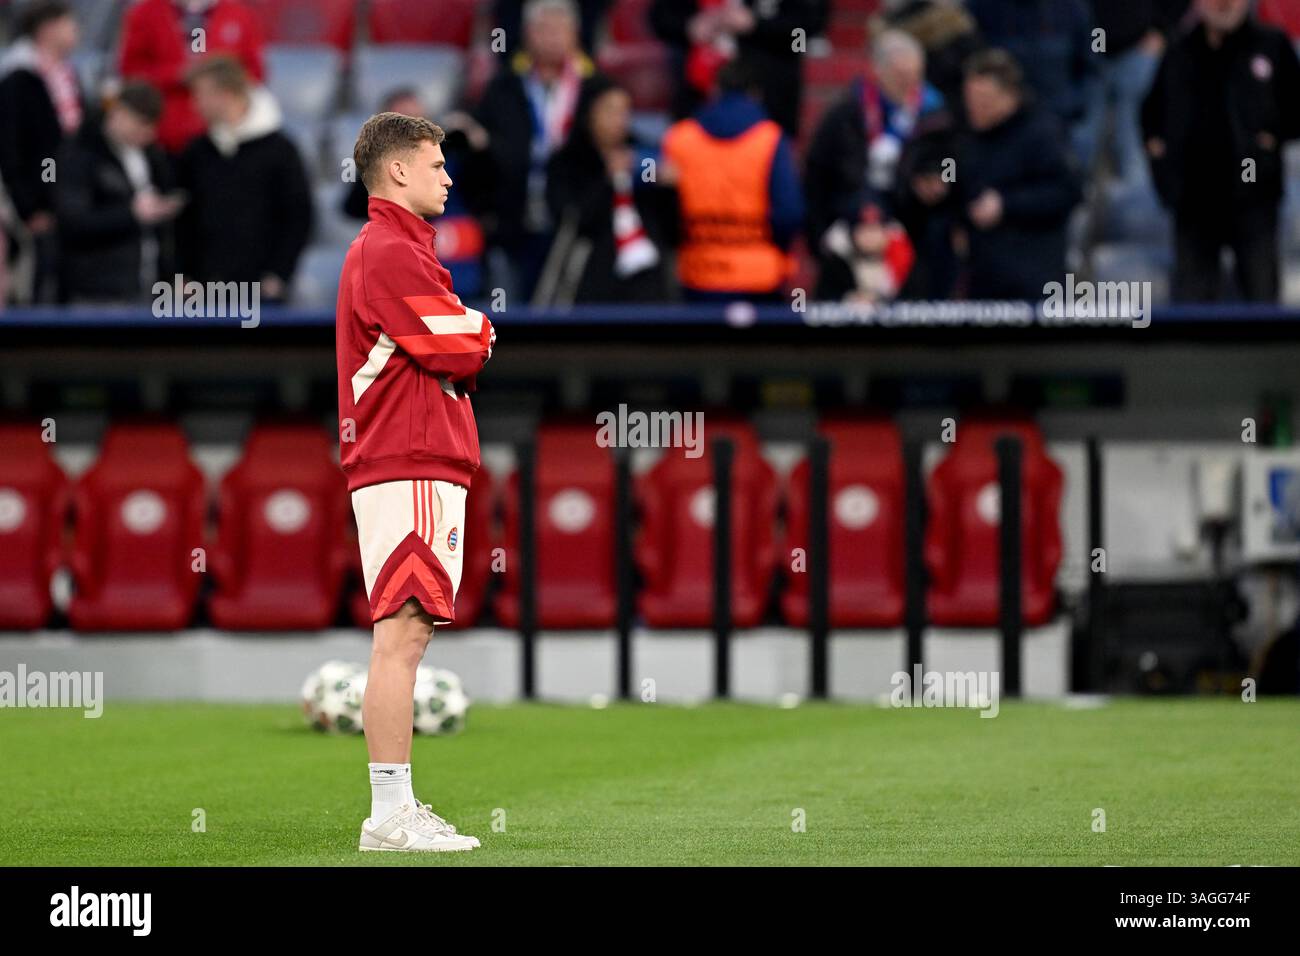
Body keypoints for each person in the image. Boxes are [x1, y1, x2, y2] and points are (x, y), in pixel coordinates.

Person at [338, 111, 496, 853]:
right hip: (407, 458)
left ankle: (395, 809)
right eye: (437, 165)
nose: (448, 177)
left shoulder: (399, 248)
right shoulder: (388, 250)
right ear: (398, 170)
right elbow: (457, 345)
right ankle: (389, 815)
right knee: (402, 632)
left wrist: (466, 326)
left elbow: (450, 336)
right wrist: (480, 328)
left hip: (414, 459)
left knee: (407, 631)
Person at [1142, 0, 1300, 302]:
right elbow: (1151, 117)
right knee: (1191, 305)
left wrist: (1269, 139)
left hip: (1255, 198)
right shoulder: (1179, 50)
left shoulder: (1272, 44)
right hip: (1194, 201)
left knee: (1261, 297)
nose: (1224, 4)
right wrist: (1164, 169)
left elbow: (1295, 109)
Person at [470, 0, 607, 304]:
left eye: (560, 29)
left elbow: (619, 140)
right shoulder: (503, 88)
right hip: (512, 225)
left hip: (575, 229)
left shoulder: (596, 88)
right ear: (527, 34)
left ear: (575, 34)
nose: (552, 37)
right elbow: (478, 141)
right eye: (543, 29)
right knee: (505, 316)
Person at [804, 29, 941, 300]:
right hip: (848, 241)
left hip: (914, 243)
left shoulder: (934, 117)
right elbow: (816, 177)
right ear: (877, 72)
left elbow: (951, 168)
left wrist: (939, 183)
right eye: (900, 75)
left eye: (915, 75)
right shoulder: (844, 115)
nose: (909, 83)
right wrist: (824, 235)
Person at [660, 56, 804, 302]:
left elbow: (663, 204)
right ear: (756, 94)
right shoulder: (771, 139)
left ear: (715, 90)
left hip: (698, 273)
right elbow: (789, 212)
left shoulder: (679, 138)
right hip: (759, 276)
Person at [173, 56, 311, 301]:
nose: (195, 105)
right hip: (203, 290)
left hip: (263, 291)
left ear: (225, 95)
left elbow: (298, 215)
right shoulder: (196, 151)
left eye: (200, 95)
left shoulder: (280, 150)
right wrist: (182, 273)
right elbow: (183, 218)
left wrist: (279, 274)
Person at [952, 49, 1081, 299]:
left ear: (1010, 96)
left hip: (1033, 277)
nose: (975, 108)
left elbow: (1068, 190)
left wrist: (1006, 205)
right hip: (982, 279)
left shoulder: (1042, 133)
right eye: (970, 99)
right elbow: (956, 179)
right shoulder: (964, 135)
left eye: (985, 101)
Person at [541, 76, 673, 303]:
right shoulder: (566, 161)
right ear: (588, 113)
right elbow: (570, 221)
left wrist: (669, 187)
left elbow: (669, 227)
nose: (619, 120)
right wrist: (607, 180)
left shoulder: (643, 156)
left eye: (625, 112)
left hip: (645, 284)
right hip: (588, 280)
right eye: (610, 111)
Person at [55, 82, 182, 303]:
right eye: (140, 125)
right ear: (119, 113)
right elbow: (72, 222)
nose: (147, 135)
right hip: (96, 292)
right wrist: (131, 214)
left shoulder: (152, 156)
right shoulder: (78, 155)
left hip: (149, 287)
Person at [0, 0, 82, 303]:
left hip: (65, 198)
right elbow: (13, 148)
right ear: (48, 30)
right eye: (70, 25)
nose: (77, 33)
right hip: (35, 203)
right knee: (35, 278)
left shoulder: (65, 75)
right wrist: (30, 205)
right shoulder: (19, 79)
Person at [650, 0, 829, 139]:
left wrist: (756, 24)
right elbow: (659, 18)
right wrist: (688, 27)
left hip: (768, 102)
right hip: (696, 101)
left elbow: (807, 29)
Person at [118, 0, 265, 155]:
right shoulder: (146, 13)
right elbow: (130, 71)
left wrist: (219, 81)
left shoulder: (237, 15)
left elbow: (254, 72)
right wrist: (176, 74)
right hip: (164, 135)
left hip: (223, 137)